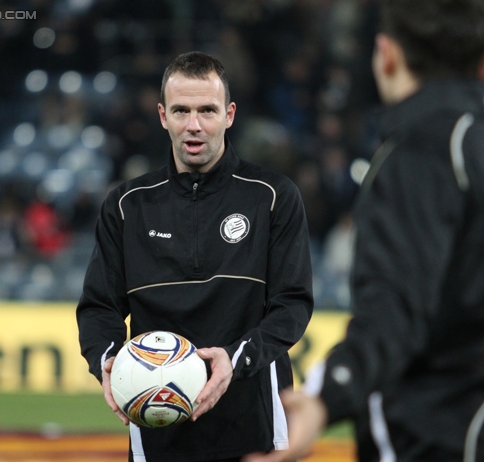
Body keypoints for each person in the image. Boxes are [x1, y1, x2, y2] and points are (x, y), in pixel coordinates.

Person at [245, 0, 484, 461]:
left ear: (385, 54)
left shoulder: (420, 155)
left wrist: (325, 398)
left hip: (444, 437)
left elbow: (396, 309)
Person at [76, 51, 313, 462]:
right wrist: (107, 361)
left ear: (230, 115)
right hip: (157, 429)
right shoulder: (127, 205)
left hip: (253, 424)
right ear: (163, 115)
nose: (194, 126)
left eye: (207, 110)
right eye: (182, 111)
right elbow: (98, 308)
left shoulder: (272, 196)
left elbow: (292, 304)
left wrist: (235, 360)